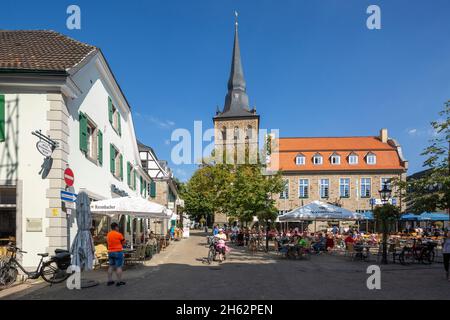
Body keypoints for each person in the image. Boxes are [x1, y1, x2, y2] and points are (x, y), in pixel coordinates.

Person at [106, 222, 126, 287]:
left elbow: (107, 242)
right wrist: (121, 244)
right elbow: (124, 242)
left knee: (111, 266)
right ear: (116, 227)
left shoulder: (108, 234)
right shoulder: (119, 234)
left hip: (110, 252)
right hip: (118, 251)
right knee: (118, 267)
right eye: (118, 227)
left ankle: (109, 280)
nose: (118, 228)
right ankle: (119, 281)